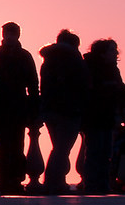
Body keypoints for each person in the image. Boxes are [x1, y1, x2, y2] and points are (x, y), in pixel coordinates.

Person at [79, 39, 125, 194]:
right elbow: (96, 91)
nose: (115, 53)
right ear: (103, 53)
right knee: (96, 151)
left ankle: (101, 184)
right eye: (112, 50)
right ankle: (93, 185)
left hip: (106, 116)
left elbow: (118, 88)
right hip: (95, 116)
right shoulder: (92, 68)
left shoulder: (111, 69)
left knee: (104, 153)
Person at [0, 21, 39, 196]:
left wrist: (33, 105)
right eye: (7, 33)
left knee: (16, 145)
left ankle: (15, 180)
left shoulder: (23, 56)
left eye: (12, 33)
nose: (9, 36)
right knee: (3, 146)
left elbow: (33, 83)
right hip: (3, 106)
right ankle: (4, 181)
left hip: (17, 106)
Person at [37, 30, 88, 192]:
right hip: (69, 110)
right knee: (62, 148)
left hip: (50, 110)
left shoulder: (48, 60)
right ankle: (53, 183)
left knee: (58, 147)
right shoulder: (75, 60)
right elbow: (83, 86)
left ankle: (55, 181)